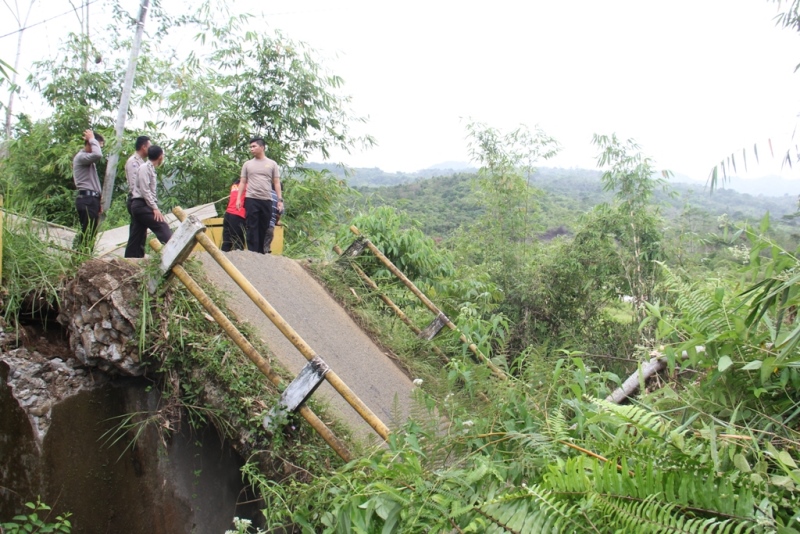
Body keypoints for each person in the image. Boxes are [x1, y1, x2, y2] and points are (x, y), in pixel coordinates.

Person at [235, 137, 283, 254]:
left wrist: (280, 200)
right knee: (252, 226)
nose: (251, 149)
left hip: (266, 199)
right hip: (251, 198)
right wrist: (238, 199)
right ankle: (252, 252)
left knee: (264, 226)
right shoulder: (247, 164)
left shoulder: (272, 164)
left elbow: (276, 183)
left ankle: (261, 253)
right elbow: (242, 182)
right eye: (250, 147)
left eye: (254, 146)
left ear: (262, 147)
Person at [126, 145, 172, 257]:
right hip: (141, 204)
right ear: (160, 156)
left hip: (141, 204)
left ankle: (131, 259)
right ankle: (173, 250)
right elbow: (145, 190)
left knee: (137, 235)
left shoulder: (149, 168)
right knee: (161, 225)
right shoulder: (144, 167)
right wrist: (155, 208)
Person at [73, 129, 105, 251]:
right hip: (86, 199)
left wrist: (98, 201)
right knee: (87, 234)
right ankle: (80, 260)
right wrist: (92, 138)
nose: (98, 148)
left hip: (92, 199)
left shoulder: (88, 161)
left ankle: (83, 259)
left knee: (90, 234)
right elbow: (98, 154)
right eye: (97, 145)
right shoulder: (81, 157)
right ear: (89, 143)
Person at [123, 135, 151, 258]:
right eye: (149, 147)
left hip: (141, 200)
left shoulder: (142, 162)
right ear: (143, 147)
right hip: (136, 200)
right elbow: (135, 185)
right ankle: (131, 257)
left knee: (140, 231)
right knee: (136, 231)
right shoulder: (133, 162)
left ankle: (138, 256)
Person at [220, 178, 247, 252]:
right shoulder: (247, 186)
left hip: (228, 214)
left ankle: (222, 259)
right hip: (237, 215)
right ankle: (238, 262)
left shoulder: (234, 185)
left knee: (226, 241)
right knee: (238, 242)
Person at [263, 188, 284, 253]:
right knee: (265, 247)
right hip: (270, 226)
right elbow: (278, 214)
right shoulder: (278, 198)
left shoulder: (263, 192)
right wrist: (276, 222)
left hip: (258, 224)